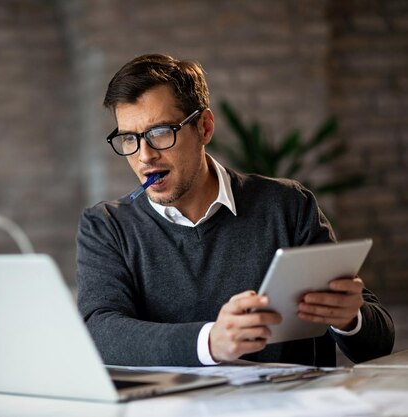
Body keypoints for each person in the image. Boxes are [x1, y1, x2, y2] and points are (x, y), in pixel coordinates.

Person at [75, 53, 394, 367]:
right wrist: (210, 342)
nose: (144, 156)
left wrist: (350, 318)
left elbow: (377, 345)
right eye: (129, 138)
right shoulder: (106, 226)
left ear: (204, 127)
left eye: (160, 133)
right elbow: (99, 334)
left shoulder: (287, 205)